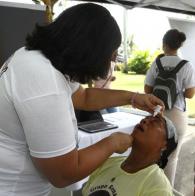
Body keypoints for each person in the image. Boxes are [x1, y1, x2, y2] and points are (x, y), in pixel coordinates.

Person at [0, 3, 164, 196]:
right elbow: (63, 174)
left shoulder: (34, 57)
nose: (107, 65)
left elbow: (84, 97)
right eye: (108, 57)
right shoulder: (44, 82)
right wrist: (111, 143)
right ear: (90, 52)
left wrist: (133, 97)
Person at [144, 29, 195, 186]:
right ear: (178, 45)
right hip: (177, 114)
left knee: (151, 155)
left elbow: (147, 89)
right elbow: (190, 94)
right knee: (172, 158)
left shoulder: (157, 63)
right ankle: (166, 191)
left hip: (157, 113)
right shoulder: (186, 66)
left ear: (164, 44)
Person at [82, 115, 177, 196]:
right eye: (146, 118)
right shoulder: (108, 163)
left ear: (164, 145)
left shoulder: (157, 187)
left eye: (155, 122)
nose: (145, 120)